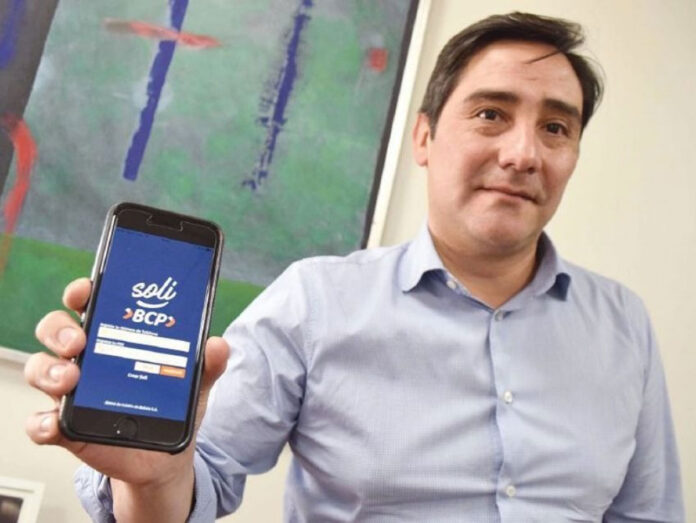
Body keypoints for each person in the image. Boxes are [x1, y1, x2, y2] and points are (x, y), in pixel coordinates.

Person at [24, 12, 684, 522]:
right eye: (491, 114)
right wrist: (156, 478)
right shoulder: (316, 301)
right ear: (424, 137)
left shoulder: (622, 322)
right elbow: (194, 484)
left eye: (556, 129)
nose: (523, 153)